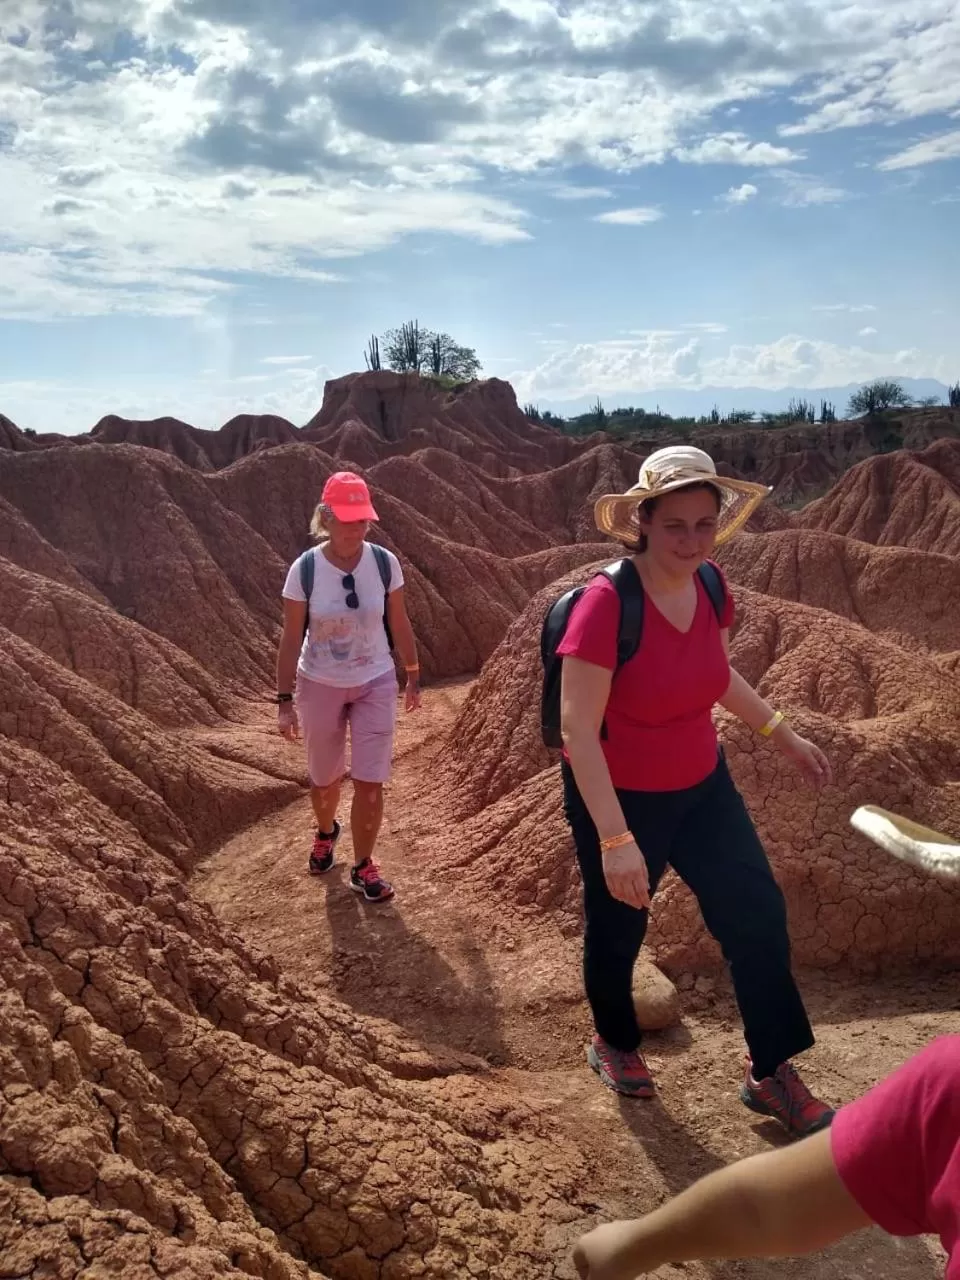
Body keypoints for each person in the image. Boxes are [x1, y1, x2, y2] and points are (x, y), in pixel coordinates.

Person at [559, 444, 835, 1137]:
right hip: (620, 793)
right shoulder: (605, 604)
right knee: (620, 925)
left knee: (757, 915)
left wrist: (784, 734)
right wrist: (616, 839)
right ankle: (614, 1042)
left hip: (703, 785)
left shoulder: (711, 586)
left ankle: (769, 1070)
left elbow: (716, 677)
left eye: (704, 524)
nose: (691, 540)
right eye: (675, 524)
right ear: (643, 521)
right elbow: (576, 731)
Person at [572, 1034, 960, 1279]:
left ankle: (768, 1072)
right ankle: (616, 1037)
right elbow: (766, 1207)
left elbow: (764, 1211)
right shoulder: (948, 1089)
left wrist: (636, 1244)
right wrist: (636, 1244)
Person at [276, 471, 421, 903]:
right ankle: (326, 831)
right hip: (319, 682)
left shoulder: (384, 563)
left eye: (364, 520)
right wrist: (284, 701)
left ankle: (363, 865)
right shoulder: (304, 571)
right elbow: (290, 637)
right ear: (326, 517)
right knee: (325, 781)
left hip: (375, 678)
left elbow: (398, 621)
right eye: (349, 519)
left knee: (370, 780)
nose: (358, 528)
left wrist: (412, 672)